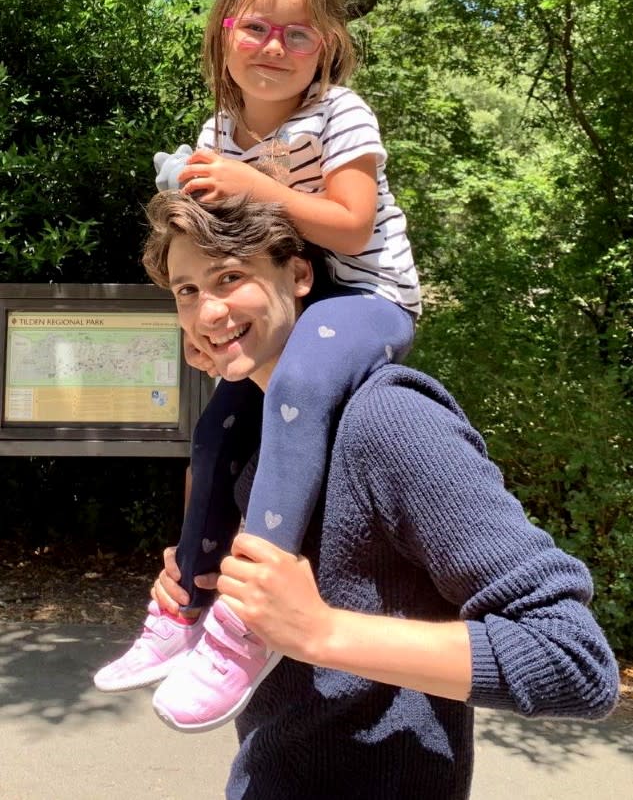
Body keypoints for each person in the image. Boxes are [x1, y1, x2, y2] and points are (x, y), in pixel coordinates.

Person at [144, 190, 618, 800]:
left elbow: (573, 659)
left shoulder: (389, 420)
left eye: (230, 277)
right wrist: (223, 599)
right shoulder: (257, 427)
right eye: (187, 290)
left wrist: (317, 631)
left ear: (298, 273)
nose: (208, 312)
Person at [94, 0, 421, 732]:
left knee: (302, 388)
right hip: (280, 308)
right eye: (256, 27)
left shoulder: (340, 114)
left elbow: (349, 223)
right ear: (224, 34)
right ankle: (189, 603)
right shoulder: (215, 128)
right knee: (216, 430)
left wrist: (252, 184)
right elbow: (210, 252)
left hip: (363, 298)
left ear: (326, 50)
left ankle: (245, 627)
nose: (274, 47)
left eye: (297, 35)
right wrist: (210, 321)